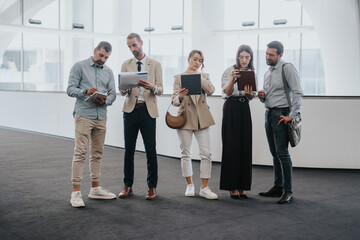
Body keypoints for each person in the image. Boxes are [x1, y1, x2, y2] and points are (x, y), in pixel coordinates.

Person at [67, 41, 117, 208]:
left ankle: (95, 188)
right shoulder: (79, 66)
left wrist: (105, 100)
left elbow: (112, 94)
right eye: (101, 55)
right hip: (84, 115)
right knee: (80, 152)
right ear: (95, 50)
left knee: (97, 153)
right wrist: (85, 92)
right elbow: (70, 89)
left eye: (106, 57)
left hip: (101, 116)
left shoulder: (109, 72)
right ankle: (76, 192)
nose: (103, 59)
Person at [118, 33, 163, 200]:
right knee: (128, 151)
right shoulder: (126, 64)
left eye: (134, 45)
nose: (132, 49)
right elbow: (122, 91)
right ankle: (127, 185)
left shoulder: (155, 64)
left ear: (141, 43)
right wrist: (127, 87)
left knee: (151, 151)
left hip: (148, 111)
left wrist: (151, 87)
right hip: (130, 110)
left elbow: (161, 89)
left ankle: (152, 187)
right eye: (129, 46)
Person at [258, 41, 303, 204]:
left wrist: (291, 115)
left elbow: (298, 92)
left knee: (282, 153)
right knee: (274, 153)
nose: (267, 57)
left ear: (280, 55)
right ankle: (278, 187)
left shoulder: (287, 68)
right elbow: (270, 97)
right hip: (269, 114)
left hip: (282, 114)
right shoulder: (267, 73)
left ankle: (288, 190)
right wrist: (262, 97)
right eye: (266, 54)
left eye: (271, 55)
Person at [171, 50, 218, 200]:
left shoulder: (204, 76)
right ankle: (190, 185)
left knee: (206, 154)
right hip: (185, 117)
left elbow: (211, 90)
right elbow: (174, 101)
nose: (197, 62)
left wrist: (197, 77)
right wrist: (180, 96)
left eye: (200, 60)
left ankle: (205, 187)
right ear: (189, 59)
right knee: (186, 153)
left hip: (202, 118)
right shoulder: (178, 77)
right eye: (195, 59)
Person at [219, 45, 257, 199]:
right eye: (241, 56)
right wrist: (233, 79)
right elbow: (226, 92)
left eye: (247, 57)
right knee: (231, 146)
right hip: (231, 107)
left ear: (250, 58)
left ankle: (243, 186)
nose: (244, 60)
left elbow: (252, 95)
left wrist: (249, 94)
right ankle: (231, 187)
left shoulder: (252, 72)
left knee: (245, 146)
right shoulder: (229, 70)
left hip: (244, 107)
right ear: (237, 57)